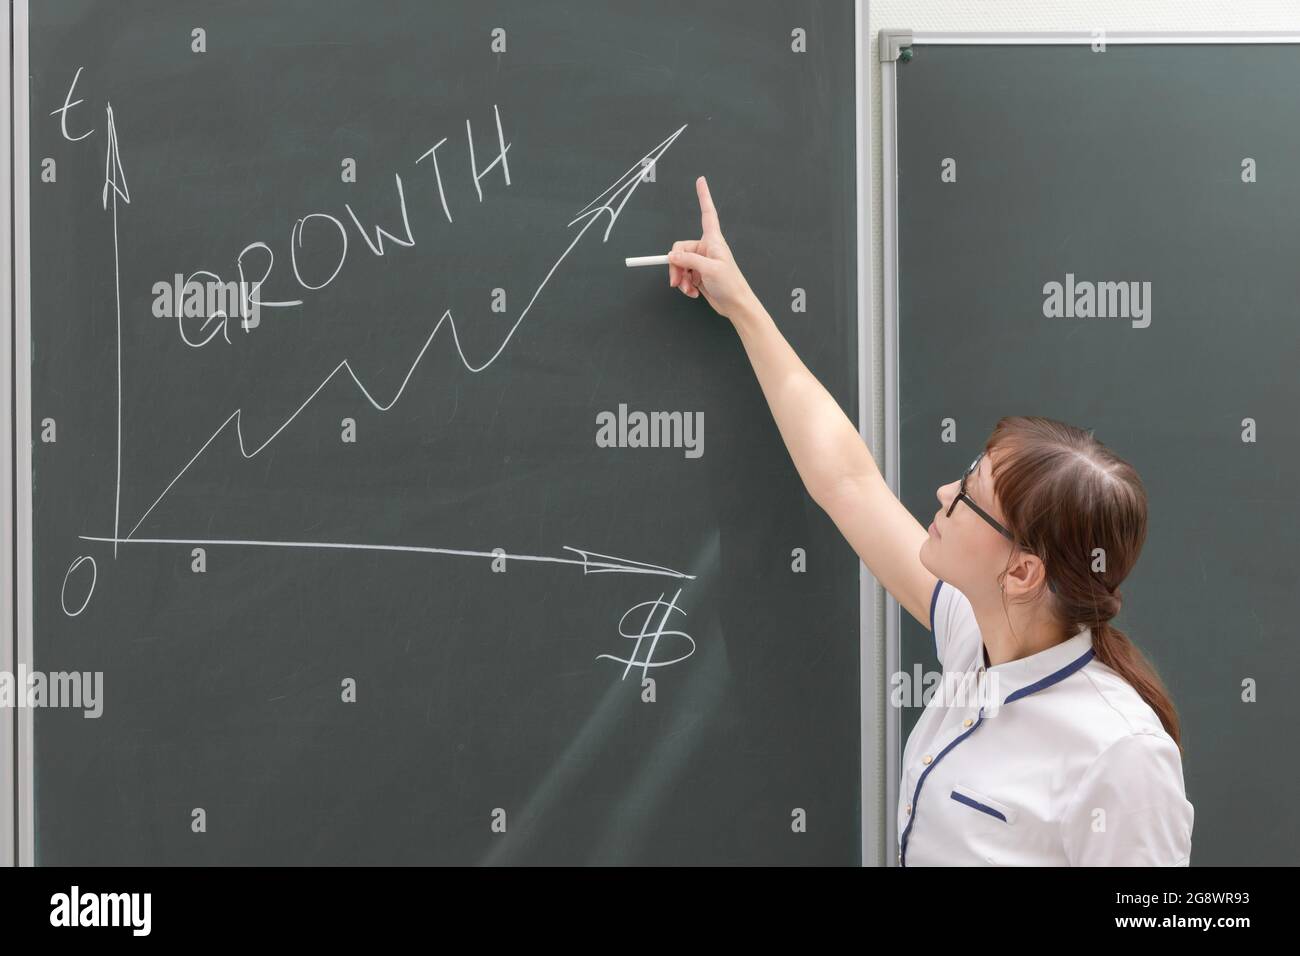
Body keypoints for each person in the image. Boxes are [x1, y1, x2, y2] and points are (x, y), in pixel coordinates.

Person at [665, 176, 1194, 866]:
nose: (943, 492)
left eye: (969, 495)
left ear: (1024, 570)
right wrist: (741, 306)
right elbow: (849, 481)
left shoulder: (1121, 755)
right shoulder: (979, 635)